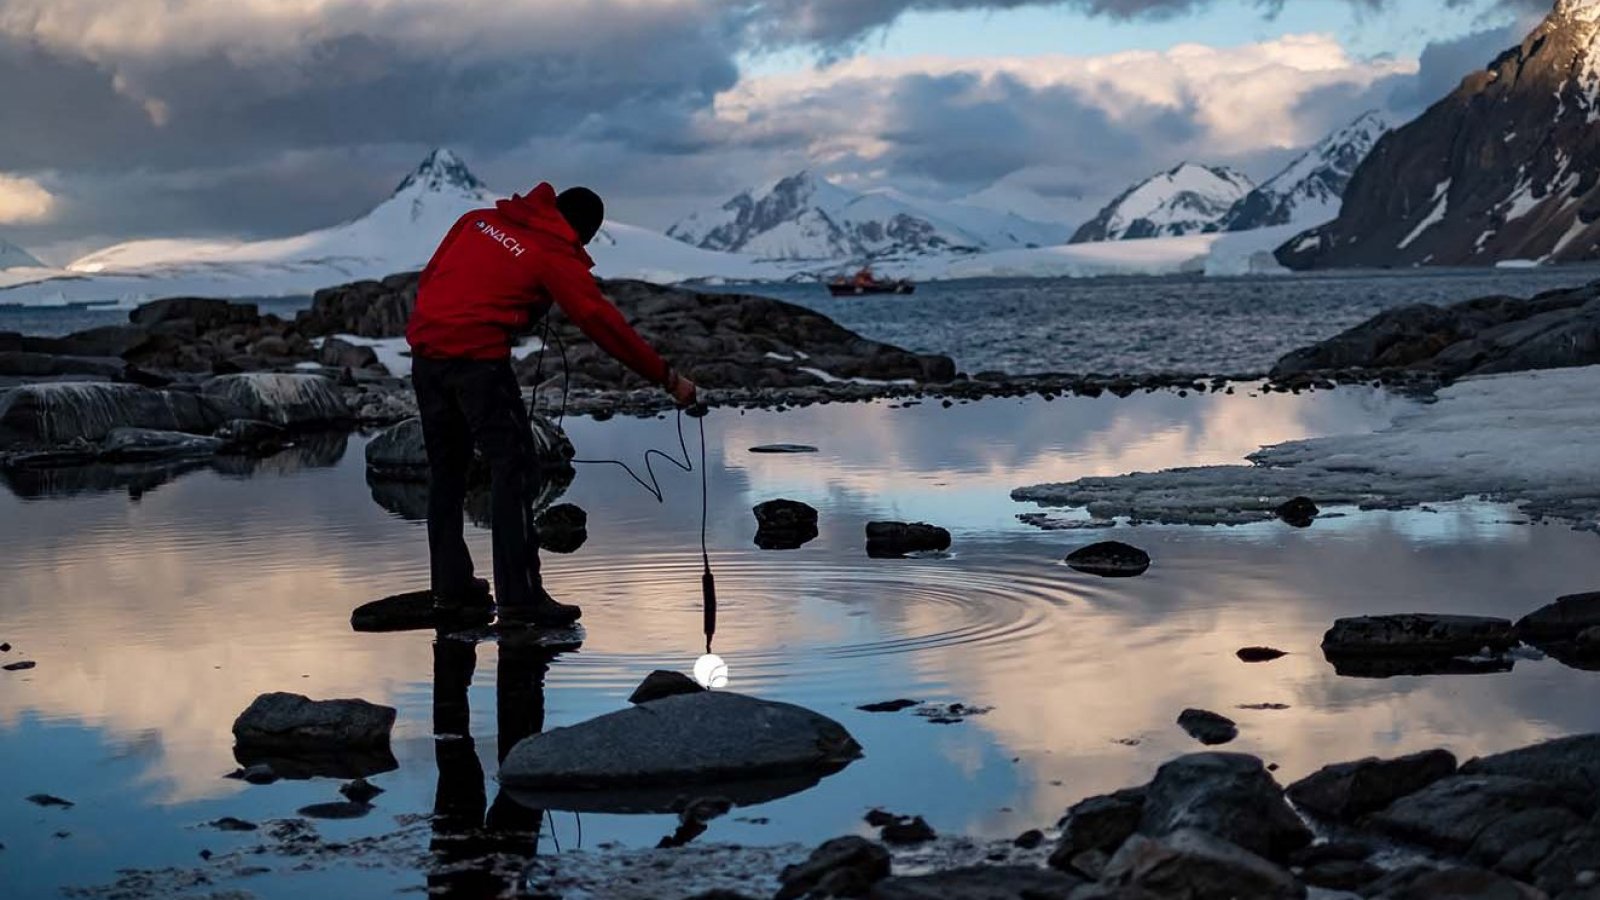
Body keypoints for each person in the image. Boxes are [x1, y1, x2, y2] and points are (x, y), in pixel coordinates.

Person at [407, 183, 697, 627]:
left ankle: (451, 591)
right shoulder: (552, 252)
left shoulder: (478, 220)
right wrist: (667, 378)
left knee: (447, 472)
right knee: (516, 471)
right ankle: (521, 602)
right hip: (477, 365)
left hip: (427, 358)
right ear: (584, 232)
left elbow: (432, 278)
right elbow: (602, 322)